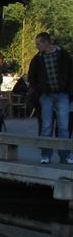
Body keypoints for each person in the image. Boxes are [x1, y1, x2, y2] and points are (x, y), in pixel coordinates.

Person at [27, 32, 73, 164]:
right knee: (46, 126)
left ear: (47, 42)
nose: (37, 46)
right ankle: (45, 155)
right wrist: (39, 89)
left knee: (63, 126)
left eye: (38, 43)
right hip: (46, 95)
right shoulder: (37, 58)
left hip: (62, 94)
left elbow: (71, 73)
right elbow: (32, 76)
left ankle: (64, 155)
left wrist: (69, 90)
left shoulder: (64, 55)